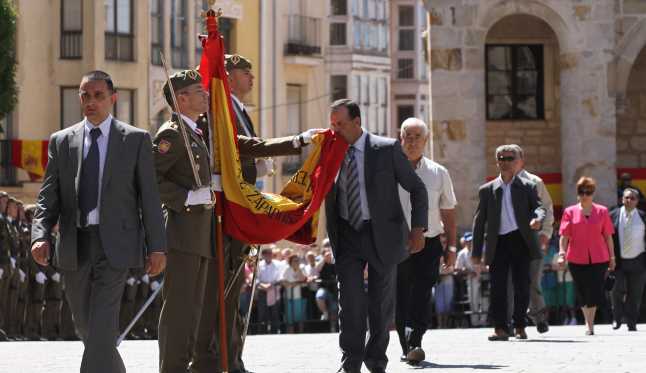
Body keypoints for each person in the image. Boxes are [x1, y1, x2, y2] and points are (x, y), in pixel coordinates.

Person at [31, 70, 167, 373]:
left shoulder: (135, 140)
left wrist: (157, 247)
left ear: (112, 98)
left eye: (98, 96)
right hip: (74, 244)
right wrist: (39, 235)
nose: (91, 102)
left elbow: (149, 198)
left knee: (103, 323)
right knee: (87, 327)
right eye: (85, 96)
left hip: (116, 246)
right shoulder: (61, 142)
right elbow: (47, 197)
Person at [194, 54, 320, 373]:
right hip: (231, 209)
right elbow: (236, 145)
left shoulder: (237, 107)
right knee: (226, 290)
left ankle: (233, 359)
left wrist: (254, 169)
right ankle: (223, 360)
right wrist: (296, 141)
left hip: (244, 203)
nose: (252, 78)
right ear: (230, 76)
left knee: (234, 291)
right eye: (245, 73)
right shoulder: (220, 107)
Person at [324, 99, 428, 373]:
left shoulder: (386, 149)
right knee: (350, 303)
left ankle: (376, 361)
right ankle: (351, 362)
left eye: (340, 125)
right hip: (346, 233)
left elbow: (417, 189)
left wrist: (418, 229)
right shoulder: (329, 150)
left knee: (380, 306)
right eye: (332, 124)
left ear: (357, 123)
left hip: (382, 234)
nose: (335, 130)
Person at [153, 68, 218, 373]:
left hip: (199, 235)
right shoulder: (171, 134)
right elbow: (151, 179)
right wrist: (185, 198)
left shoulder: (194, 132)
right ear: (181, 98)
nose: (205, 95)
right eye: (199, 91)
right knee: (178, 312)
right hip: (181, 233)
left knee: (193, 311)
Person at [394, 117, 457, 364]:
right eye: (407, 136)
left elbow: (449, 213)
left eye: (416, 137)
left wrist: (451, 247)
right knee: (401, 295)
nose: (411, 142)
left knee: (422, 293)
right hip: (397, 244)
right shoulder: (389, 172)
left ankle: (415, 341)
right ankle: (405, 344)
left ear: (426, 141)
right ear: (400, 139)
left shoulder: (439, 173)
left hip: (429, 243)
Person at [472, 144, 545, 341]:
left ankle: (520, 325)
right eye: (501, 159)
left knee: (522, 285)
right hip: (499, 242)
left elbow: (539, 208)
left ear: (517, 161)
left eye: (509, 158)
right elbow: (479, 223)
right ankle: (500, 328)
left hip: (521, 240)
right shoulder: (487, 190)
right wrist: (476, 253)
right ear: (497, 162)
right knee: (498, 287)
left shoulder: (528, 186)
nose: (505, 162)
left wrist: (538, 219)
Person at [557, 177, 615, 336]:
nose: (585, 195)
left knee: (595, 290)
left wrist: (612, 257)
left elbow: (608, 236)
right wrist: (562, 253)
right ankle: (587, 322)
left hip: (599, 257)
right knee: (582, 290)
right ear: (577, 194)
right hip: (576, 257)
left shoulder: (602, 211)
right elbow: (564, 236)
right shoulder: (569, 212)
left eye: (588, 192)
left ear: (593, 193)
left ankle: (591, 323)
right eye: (581, 192)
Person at [511, 147, 555, 334]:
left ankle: (539, 318)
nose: (509, 162)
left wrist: (545, 233)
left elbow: (547, 208)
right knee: (514, 282)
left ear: (522, 160)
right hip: (510, 241)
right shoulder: (501, 184)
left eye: (513, 158)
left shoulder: (535, 182)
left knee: (532, 281)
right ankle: (518, 321)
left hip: (533, 240)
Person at [610, 188, 646, 331]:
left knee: (635, 293)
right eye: (626, 198)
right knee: (616, 290)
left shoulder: (643, 217)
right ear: (622, 199)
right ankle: (616, 318)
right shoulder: (612, 215)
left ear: (637, 201)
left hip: (638, 260)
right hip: (618, 260)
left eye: (632, 198)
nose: (629, 200)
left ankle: (631, 322)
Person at [456, 232, 488, 326]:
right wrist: (468, 271)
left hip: (483, 278)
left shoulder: (482, 250)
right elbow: (458, 268)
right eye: (468, 241)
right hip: (471, 280)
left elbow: (487, 264)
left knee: (485, 300)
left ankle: (483, 321)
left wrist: (483, 267)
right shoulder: (462, 254)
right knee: (473, 301)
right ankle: (475, 322)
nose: (470, 243)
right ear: (465, 242)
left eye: (472, 240)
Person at [256, 247, 282, 334]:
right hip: (262, 291)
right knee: (262, 313)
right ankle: (262, 332)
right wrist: (263, 285)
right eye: (267, 254)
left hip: (274, 290)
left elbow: (280, 277)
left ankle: (275, 331)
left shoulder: (278, 264)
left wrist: (271, 284)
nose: (269, 255)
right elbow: (255, 278)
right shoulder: (259, 265)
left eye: (270, 253)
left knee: (275, 312)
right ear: (263, 255)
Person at [281, 253, 308, 333]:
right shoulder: (287, 269)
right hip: (289, 297)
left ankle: (301, 333)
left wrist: (298, 270)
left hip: (300, 297)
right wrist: (292, 284)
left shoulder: (302, 268)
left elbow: (304, 279)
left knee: (300, 317)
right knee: (290, 319)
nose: (296, 262)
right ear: (290, 262)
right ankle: (290, 334)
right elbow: (282, 280)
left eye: (297, 260)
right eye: (294, 261)